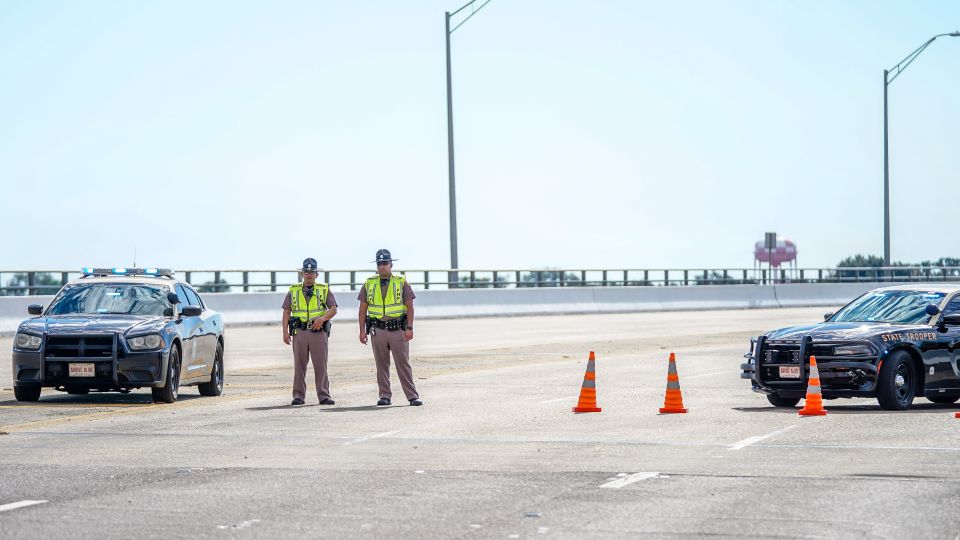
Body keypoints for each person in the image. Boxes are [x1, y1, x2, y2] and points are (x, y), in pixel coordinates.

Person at [358, 249, 422, 406]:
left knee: (403, 364)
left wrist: (410, 328)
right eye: (379, 264)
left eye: (385, 263)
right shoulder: (369, 283)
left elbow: (410, 307)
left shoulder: (401, 282)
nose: (382, 267)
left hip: (397, 330)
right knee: (381, 365)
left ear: (391, 264)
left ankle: (412, 396)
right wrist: (361, 331)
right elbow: (362, 309)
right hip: (377, 330)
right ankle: (384, 396)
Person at [282, 258, 337, 406]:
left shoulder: (324, 289)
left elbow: (333, 309)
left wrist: (322, 319)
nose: (309, 275)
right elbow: (287, 312)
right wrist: (285, 332)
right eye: (306, 272)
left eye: (312, 272)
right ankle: (298, 396)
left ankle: (324, 395)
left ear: (317, 274)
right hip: (299, 332)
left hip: (318, 332)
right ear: (302, 273)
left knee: (321, 365)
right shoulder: (293, 290)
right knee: (299, 366)